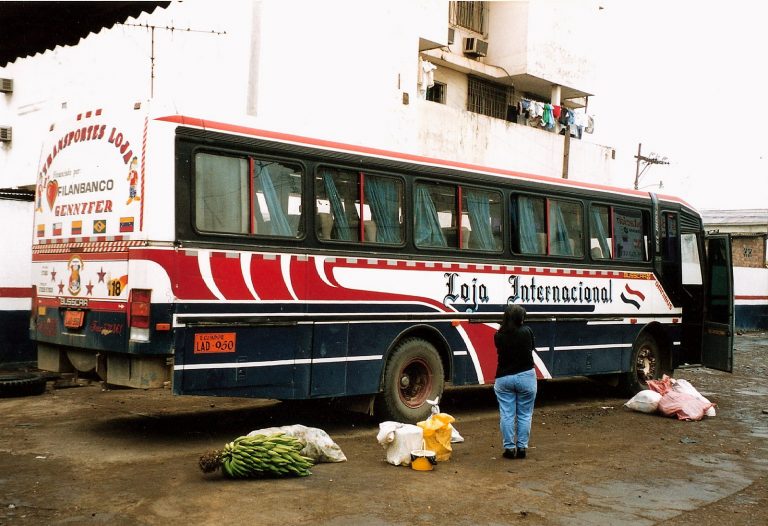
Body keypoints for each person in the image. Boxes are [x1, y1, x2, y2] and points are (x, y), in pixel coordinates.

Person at [494, 304, 537, 459]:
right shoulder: (527, 331)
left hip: (503, 378)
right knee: (525, 414)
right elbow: (531, 348)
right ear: (520, 318)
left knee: (507, 414)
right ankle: (522, 448)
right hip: (526, 376)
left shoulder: (498, 335)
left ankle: (509, 449)